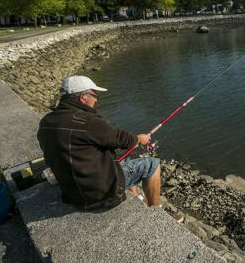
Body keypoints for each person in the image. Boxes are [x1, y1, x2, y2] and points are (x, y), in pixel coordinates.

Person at [37, 75, 161, 209]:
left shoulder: (46, 122)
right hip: (100, 195)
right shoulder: (86, 121)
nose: (96, 99)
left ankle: (137, 197)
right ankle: (155, 210)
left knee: (123, 163)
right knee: (152, 165)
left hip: (72, 193)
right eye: (94, 95)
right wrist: (139, 139)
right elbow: (122, 139)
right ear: (83, 97)